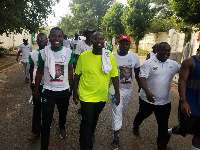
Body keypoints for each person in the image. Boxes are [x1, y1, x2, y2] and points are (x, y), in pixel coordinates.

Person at [73, 31, 120, 150]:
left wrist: (117, 93)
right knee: (87, 120)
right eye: (96, 39)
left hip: (101, 95)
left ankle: (88, 134)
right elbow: (77, 74)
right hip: (86, 95)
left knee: (94, 118)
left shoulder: (109, 56)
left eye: (101, 39)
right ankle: (86, 144)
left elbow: (114, 75)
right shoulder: (84, 56)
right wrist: (75, 92)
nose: (99, 41)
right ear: (91, 40)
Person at [133, 42, 180, 150]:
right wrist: (147, 92)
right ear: (157, 50)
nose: (166, 53)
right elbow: (142, 78)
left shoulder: (173, 64)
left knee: (163, 125)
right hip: (147, 100)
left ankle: (161, 146)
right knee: (142, 115)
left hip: (164, 102)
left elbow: (186, 70)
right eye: (164, 50)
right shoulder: (149, 63)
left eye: (168, 50)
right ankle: (136, 126)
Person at [33, 27, 74, 150]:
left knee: (63, 113)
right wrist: (36, 89)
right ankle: (44, 146)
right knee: (46, 121)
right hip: (48, 91)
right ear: (49, 38)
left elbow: (71, 70)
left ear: (62, 38)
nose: (57, 38)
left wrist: (72, 89)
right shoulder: (43, 53)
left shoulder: (68, 52)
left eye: (59, 36)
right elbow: (39, 72)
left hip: (63, 91)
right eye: (54, 36)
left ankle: (62, 126)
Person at [111, 35, 140, 149]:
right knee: (116, 110)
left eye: (127, 44)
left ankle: (117, 120)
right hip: (114, 90)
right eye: (122, 43)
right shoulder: (111, 57)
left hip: (128, 89)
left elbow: (138, 73)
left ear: (129, 45)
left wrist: (141, 86)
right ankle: (116, 136)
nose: (124, 46)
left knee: (122, 109)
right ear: (118, 44)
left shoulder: (135, 57)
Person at [168, 48, 200, 150]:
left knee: (199, 134)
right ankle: (169, 131)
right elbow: (182, 81)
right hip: (190, 104)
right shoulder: (190, 62)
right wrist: (183, 101)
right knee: (183, 130)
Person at [28, 33, 48, 141]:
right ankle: (36, 131)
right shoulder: (32, 54)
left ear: (47, 40)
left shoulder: (50, 52)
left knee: (47, 107)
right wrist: (32, 82)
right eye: (39, 39)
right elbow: (31, 69)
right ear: (36, 40)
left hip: (49, 85)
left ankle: (46, 128)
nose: (41, 40)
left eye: (43, 39)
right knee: (37, 107)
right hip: (37, 84)